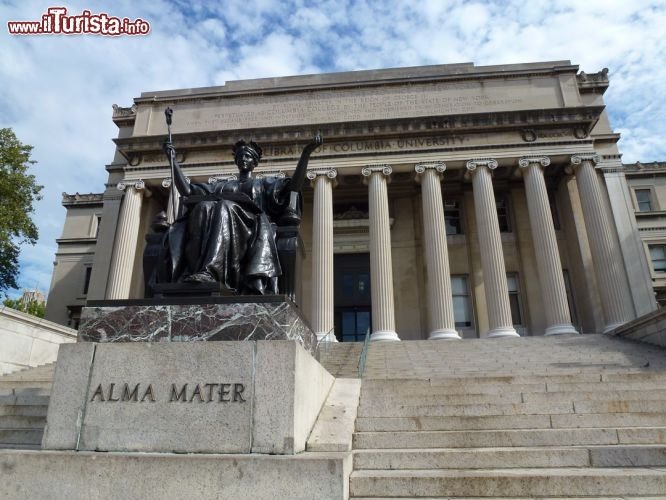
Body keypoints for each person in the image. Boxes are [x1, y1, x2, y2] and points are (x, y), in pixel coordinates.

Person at [158, 134, 322, 295]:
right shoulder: (222, 186)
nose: (244, 158)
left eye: (248, 156)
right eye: (241, 156)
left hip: (252, 228)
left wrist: (306, 153)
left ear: (255, 162)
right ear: (236, 161)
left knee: (224, 206)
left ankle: (211, 271)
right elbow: (188, 191)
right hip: (226, 229)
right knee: (203, 207)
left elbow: (294, 185)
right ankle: (196, 269)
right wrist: (172, 160)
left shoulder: (264, 184)